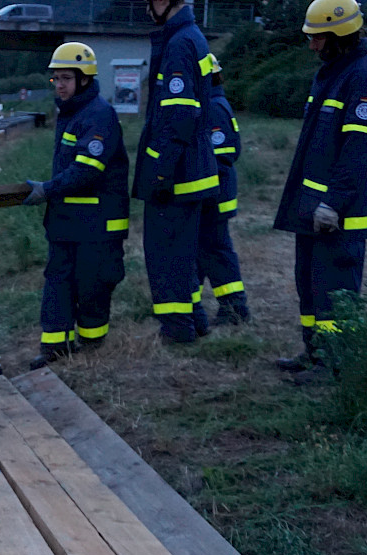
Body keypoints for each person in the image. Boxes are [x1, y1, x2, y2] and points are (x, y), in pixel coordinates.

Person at [274, 0, 367, 373]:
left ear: (341, 35)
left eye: (318, 38)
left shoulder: (363, 76)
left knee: (334, 295)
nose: (312, 46)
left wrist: (334, 203)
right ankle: (315, 354)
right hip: (314, 209)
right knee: (309, 286)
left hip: (338, 215)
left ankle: (336, 368)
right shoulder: (332, 73)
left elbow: (358, 151)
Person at [22, 42, 130, 370]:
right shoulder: (70, 113)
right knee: (58, 281)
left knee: (93, 284)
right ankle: (54, 346)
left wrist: (46, 190)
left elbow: (86, 170)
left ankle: (93, 348)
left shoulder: (98, 115)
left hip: (97, 223)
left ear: (84, 79)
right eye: (56, 79)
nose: (60, 85)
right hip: (68, 221)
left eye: (66, 78)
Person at [131, 0, 221, 344]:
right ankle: (194, 320)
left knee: (166, 255)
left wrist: (159, 173)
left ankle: (177, 331)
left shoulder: (180, 42)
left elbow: (179, 117)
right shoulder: (190, 36)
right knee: (183, 256)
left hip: (178, 175)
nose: (145, 7)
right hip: (191, 169)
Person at [198, 54, 250, 326]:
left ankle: (234, 308)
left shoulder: (215, 108)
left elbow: (224, 153)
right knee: (201, 249)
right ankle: (189, 305)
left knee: (216, 250)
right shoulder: (211, 103)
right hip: (209, 194)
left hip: (215, 195)